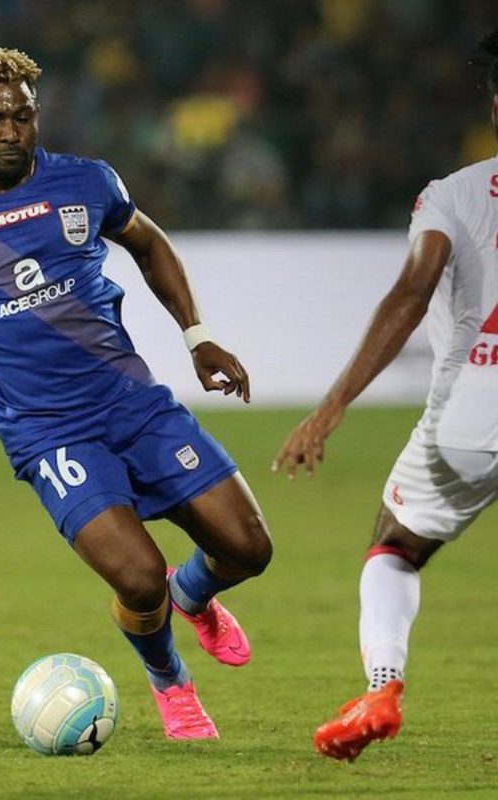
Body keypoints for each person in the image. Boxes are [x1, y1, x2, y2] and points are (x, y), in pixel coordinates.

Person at [0, 48, 273, 741]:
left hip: (132, 402)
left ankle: (192, 594)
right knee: (137, 579)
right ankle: (170, 680)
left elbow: (150, 244)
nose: (10, 131)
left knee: (249, 548)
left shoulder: (87, 182)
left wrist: (197, 337)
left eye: (22, 117)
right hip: (48, 429)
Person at [272, 31, 498, 763]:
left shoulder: (453, 197)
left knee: (395, 547)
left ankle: (382, 689)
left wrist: (331, 406)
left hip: (474, 413)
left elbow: (411, 291)